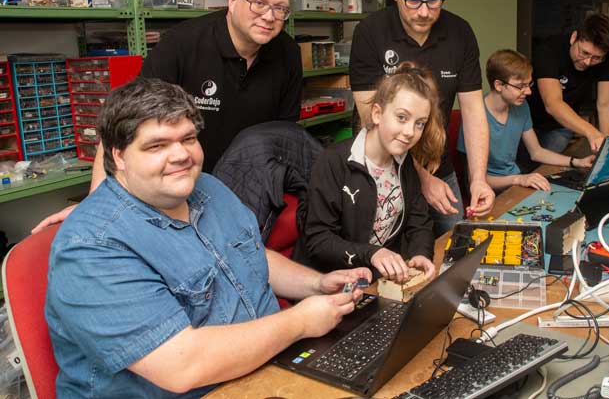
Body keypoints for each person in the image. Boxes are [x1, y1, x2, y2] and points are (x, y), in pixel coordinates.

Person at [45, 77, 370, 398]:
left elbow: (249, 257)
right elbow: (181, 365)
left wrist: (315, 284)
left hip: (266, 372)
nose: (181, 155)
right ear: (118, 157)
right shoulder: (91, 247)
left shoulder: (208, 188)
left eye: (187, 139)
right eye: (157, 145)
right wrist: (300, 321)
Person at [32, 0, 302, 233]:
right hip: (183, 183)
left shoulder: (288, 53)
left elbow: (284, 136)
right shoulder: (183, 44)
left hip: (250, 187)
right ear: (233, 0)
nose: (269, 16)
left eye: (280, 8)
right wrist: (96, 201)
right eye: (259, 2)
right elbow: (125, 120)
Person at [349, 0, 494, 237]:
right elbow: (370, 119)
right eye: (413, 1)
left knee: (456, 245)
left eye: (434, 1)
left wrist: (478, 179)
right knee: (388, 255)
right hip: (381, 170)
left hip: (438, 165)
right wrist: (420, 179)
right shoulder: (370, 31)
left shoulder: (460, 33)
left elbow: (474, 112)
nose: (424, 12)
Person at [298, 63, 443, 283]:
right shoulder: (334, 161)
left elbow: (419, 222)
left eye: (420, 123)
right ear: (377, 113)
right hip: (328, 284)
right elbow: (319, 241)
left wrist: (421, 254)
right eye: (402, 117)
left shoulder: (405, 163)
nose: (410, 132)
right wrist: (372, 253)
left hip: (375, 283)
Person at [458, 50, 595, 192]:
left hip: (514, 180)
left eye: (529, 84)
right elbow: (473, 181)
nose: (528, 92)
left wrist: (576, 162)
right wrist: (519, 179)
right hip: (488, 189)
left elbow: (536, 152)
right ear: (499, 85)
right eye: (521, 86)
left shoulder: (521, 106)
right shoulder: (475, 116)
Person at [528, 13, 609, 154]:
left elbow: (607, 103)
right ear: (574, 38)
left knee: (549, 166)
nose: (587, 62)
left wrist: (605, 148)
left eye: (596, 58)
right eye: (584, 53)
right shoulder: (549, 50)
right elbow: (552, 103)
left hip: (562, 125)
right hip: (528, 121)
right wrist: (592, 132)